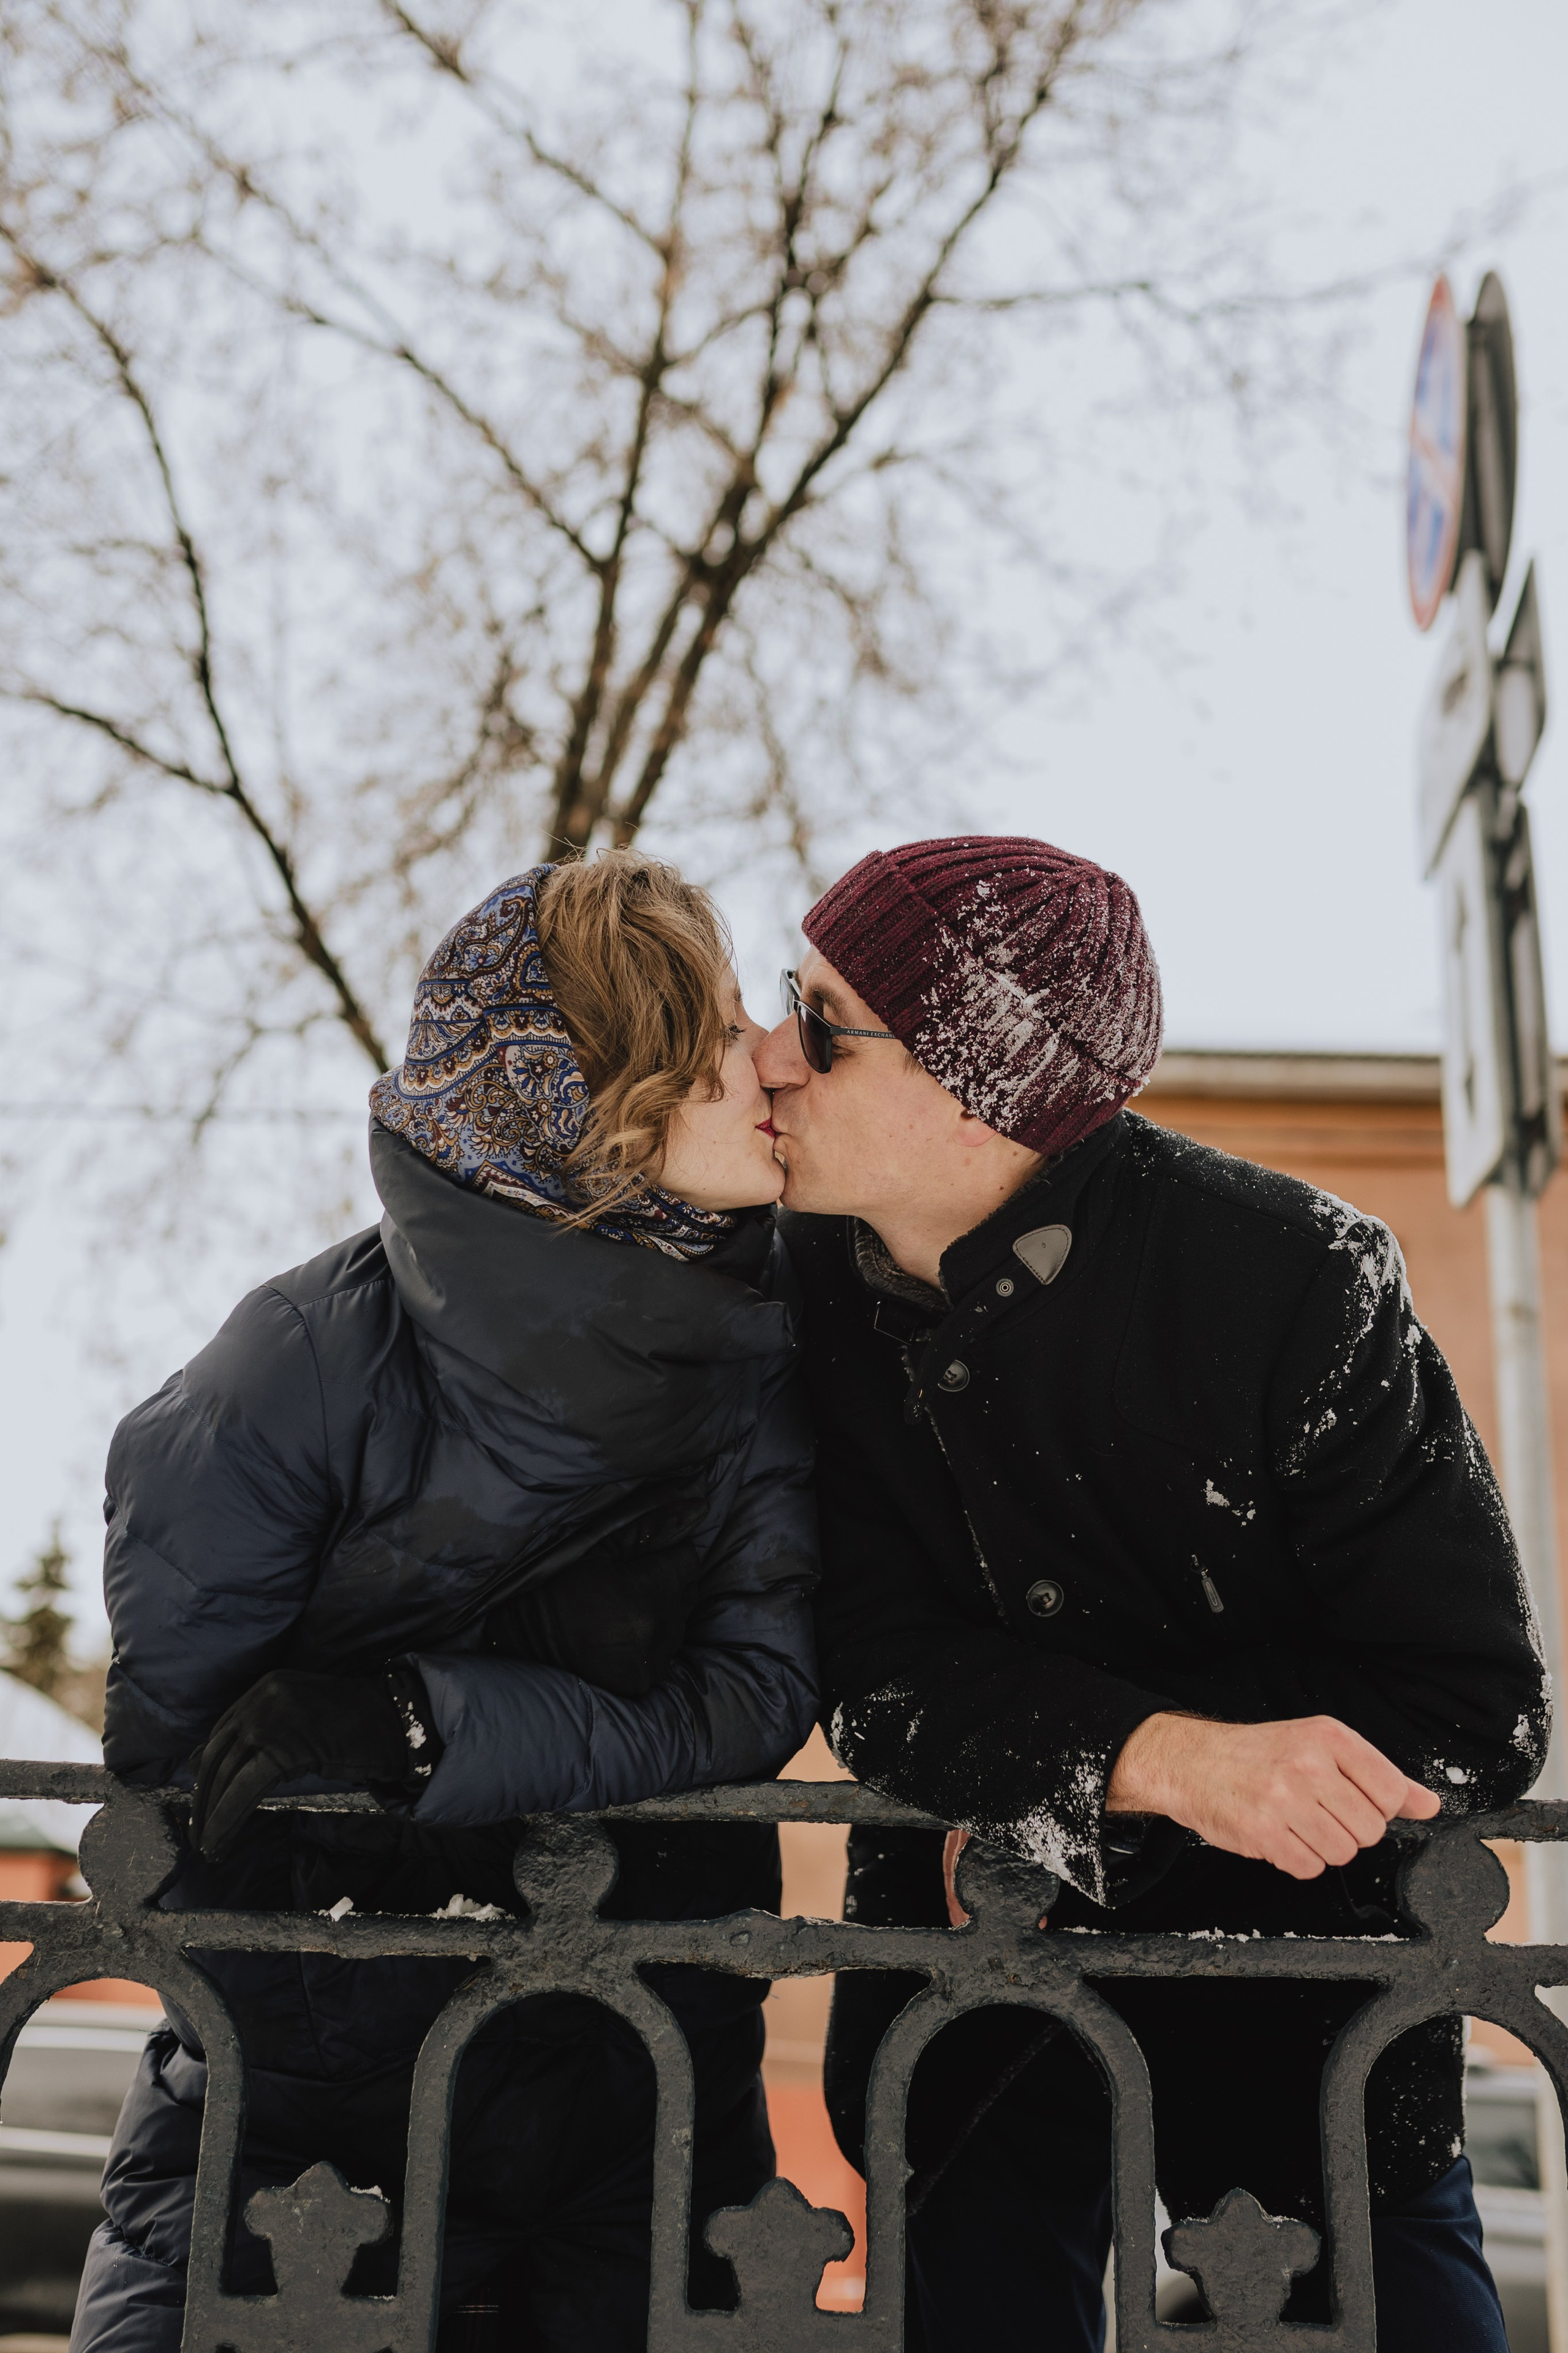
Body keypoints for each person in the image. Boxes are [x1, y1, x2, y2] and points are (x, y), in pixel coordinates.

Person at [756, 833, 1548, 2353]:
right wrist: (1162, 1760)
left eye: (818, 1019)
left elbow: (1470, 1703)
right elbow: (862, 1658)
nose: (767, 1053)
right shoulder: (792, 1292)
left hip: (1305, 2027)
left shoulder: (1296, 1282)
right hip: (966, 2021)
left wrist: (1213, 1785)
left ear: (974, 1081)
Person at [72, 854, 819, 2353]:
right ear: (587, 1091)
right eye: (712, 1025)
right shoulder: (289, 1369)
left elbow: (755, 1693)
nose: (768, 1058)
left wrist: (421, 1722)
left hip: (651, 2104)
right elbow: (184, 1789)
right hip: (315, 2134)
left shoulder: (764, 1357)